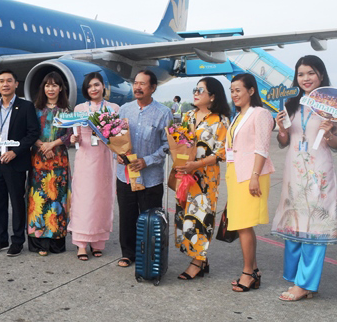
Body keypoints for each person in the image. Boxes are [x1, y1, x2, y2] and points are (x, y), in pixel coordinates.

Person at [272, 56, 337, 301]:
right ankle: (297, 279)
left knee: (315, 227)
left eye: (311, 73)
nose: (305, 78)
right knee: (295, 223)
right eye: (301, 74)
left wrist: (328, 134)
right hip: (294, 173)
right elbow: (283, 142)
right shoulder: (290, 103)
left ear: (321, 75)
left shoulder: (333, 106)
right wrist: (281, 129)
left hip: (319, 173)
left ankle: (305, 284)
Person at [174, 77, 230, 279]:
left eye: (201, 90)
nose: (195, 93)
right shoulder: (188, 116)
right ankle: (201, 259)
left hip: (206, 178)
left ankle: (197, 262)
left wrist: (196, 165)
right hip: (186, 175)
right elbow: (180, 142)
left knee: (201, 217)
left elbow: (222, 152)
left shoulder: (221, 120)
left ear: (212, 96)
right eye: (195, 89)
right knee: (186, 216)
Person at [115, 70, 172, 268]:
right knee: (127, 216)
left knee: (149, 217)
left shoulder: (163, 113)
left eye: (143, 84)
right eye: (135, 83)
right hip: (125, 176)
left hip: (151, 177)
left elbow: (168, 145)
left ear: (153, 88)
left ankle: (148, 255)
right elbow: (114, 137)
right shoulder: (124, 110)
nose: (137, 87)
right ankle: (127, 253)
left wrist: (147, 161)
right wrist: (118, 155)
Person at [0, 70, 40, 257]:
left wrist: (15, 151)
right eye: (1, 81)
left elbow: (33, 133)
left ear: (16, 84)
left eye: (9, 81)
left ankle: (17, 240)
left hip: (14, 162)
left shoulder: (25, 107)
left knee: (16, 203)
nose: (5, 84)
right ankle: (0, 239)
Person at [226, 73, 275, 292]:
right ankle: (254, 271)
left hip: (251, 175)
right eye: (232, 90)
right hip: (236, 174)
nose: (234, 94)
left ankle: (247, 272)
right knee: (240, 224)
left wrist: (255, 175)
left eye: (238, 90)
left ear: (251, 91)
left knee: (244, 225)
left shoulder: (261, 114)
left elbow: (262, 147)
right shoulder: (238, 115)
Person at [68, 72, 119, 261]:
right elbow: (77, 135)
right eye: (90, 86)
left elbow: (118, 135)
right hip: (85, 158)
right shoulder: (80, 108)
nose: (94, 89)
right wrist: (74, 138)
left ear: (103, 87)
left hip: (105, 158)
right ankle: (81, 243)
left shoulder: (113, 108)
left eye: (97, 85)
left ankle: (98, 242)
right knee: (84, 200)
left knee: (102, 200)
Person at [27, 72, 72, 256]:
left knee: (57, 200)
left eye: (54, 85)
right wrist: (42, 145)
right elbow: (29, 131)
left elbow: (70, 134)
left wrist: (52, 144)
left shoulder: (67, 110)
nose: (51, 89)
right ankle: (39, 243)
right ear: (43, 88)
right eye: (47, 85)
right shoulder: (34, 109)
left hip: (59, 159)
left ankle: (55, 242)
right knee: (38, 199)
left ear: (60, 88)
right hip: (38, 160)